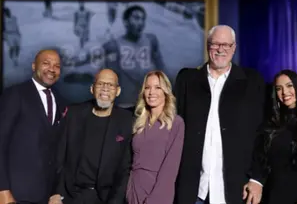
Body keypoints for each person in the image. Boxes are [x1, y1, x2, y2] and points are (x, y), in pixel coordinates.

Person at [174, 25, 266, 204]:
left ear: (234, 48)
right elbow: (173, 122)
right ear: (208, 46)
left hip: (237, 190)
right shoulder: (187, 80)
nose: (221, 49)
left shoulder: (252, 82)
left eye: (226, 45)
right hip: (194, 191)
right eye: (216, 44)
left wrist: (257, 178)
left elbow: (263, 134)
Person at [48, 69, 133, 204]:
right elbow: (59, 157)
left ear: (118, 91)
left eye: (110, 85)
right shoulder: (74, 114)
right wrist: (56, 193)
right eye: (100, 84)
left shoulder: (127, 121)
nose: (105, 88)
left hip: (106, 198)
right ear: (92, 88)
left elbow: (125, 169)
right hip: (71, 196)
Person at [243, 70, 297, 204]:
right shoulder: (270, 123)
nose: (284, 92)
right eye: (279, 88)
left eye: (289, 86)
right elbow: (260, 160)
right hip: (273, 196)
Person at [0, 49, 65, 204]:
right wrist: (2, 190)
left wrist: (55, 192)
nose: (51, 69)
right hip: (15, 195)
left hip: (45, 195)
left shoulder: (61, 100)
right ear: (33, 66)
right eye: (46, 63)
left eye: (57, 66)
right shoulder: (15, 94)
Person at [126, 70, 184, 204]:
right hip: (133, 191)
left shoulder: (175, 123)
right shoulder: (138, 122)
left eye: (157, 87)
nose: (152, 92)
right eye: (147, 87)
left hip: (158, 192)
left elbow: (170, 168)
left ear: (165, 92)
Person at [102, 5, 169, 110]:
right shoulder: (113, 45)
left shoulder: (151, 40)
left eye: (143, 19)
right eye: (136, 18)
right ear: (126, 22)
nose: (141, 23)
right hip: (126, 101)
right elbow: (111, 78)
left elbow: (161, 69)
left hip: (149, 101)